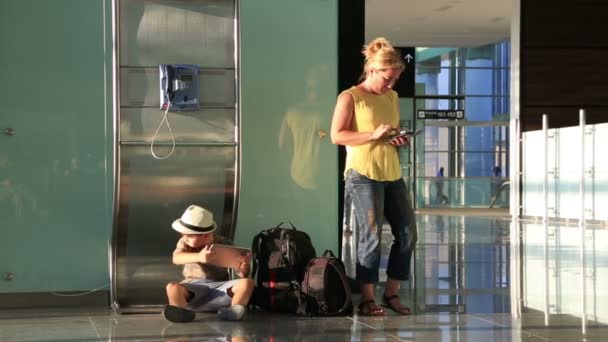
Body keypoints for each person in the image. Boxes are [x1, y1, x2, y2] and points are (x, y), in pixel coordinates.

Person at [330, 37, 414, 316]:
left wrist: (397, 139)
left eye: (395, 80)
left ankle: (391, 294)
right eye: (387, 78)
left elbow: (388, 133)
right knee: (372, 235)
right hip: (362, 174)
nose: (391, 85)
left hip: (391, 172)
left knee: (408, 234)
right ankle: (367, 298)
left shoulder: (392, 97)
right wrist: (372, 135)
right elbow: (337, 136)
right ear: (372, 70)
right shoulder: (350, 97)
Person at [162, 204, 255, 323]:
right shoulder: (184, 243)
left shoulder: (224, 243)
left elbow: (243, 274)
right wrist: (199, 257)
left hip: (220, 288)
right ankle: (181, 312)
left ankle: (233, 310)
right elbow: (176, 258)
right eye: (183, 235)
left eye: (189, 235)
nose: (185, 238)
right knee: (172, 287)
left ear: (206, 235)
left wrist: (245, 264)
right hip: (194, 288)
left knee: (248, 283)